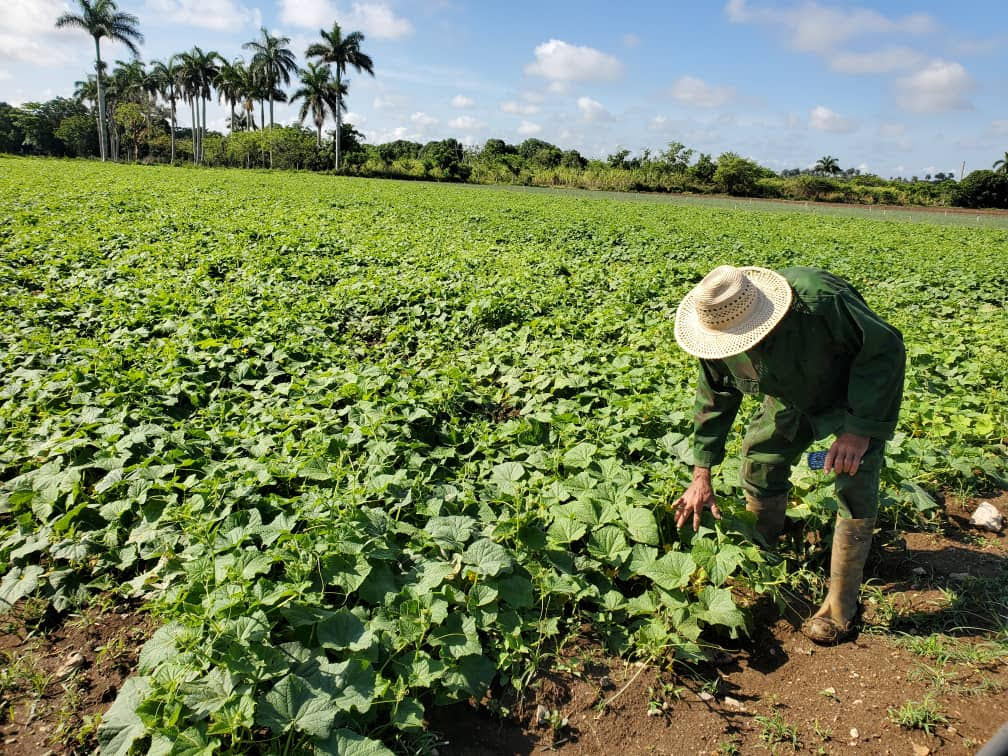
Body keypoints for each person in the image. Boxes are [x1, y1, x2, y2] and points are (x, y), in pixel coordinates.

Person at [671, 265, 905, 644]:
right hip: (792, 393)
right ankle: (764, 555)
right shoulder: (714, 331)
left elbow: (884, 350)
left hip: (854, 388)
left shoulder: (820, 302)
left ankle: (842, 602)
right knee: (762, 454)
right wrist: (701, 475)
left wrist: (859, 431)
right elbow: (714, 397)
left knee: (853, 471)